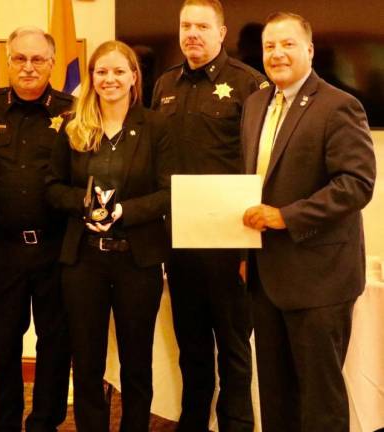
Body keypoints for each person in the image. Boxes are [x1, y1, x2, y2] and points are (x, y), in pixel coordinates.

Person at [241, 12, 376, 432]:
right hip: (265, 278)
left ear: (309, 50)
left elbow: (356, 185)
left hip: (320, 279)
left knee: (319, 403)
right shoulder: (255, 104)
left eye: (287, 44)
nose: (277, 53)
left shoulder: (339, 105)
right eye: (269, 46)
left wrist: (287, 217)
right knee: (276, 399)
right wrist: (245, 253)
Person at [46, 40, 174, 432]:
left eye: (119, 71)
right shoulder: (72, 125)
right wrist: (84, 205)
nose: (110, 79)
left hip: (138, 260)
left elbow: (169, 192)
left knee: (137, 360)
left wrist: (124, 211)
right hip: (84, 260)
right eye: (102, 71)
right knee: (86, 361)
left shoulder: (156, 126)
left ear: (134, 77)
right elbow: (52, 187)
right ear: (91, 77)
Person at [151, 1, 267, 430]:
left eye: (202, 25)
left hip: (229, 243)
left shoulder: (248, 84)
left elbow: (260, 164)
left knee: (235, 350)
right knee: (192, 346)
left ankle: (236, 425)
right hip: (179, 242)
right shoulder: (163, 84)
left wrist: (247, 252)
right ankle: (193, 423)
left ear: (222, 32)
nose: (192, 33)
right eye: (186, 25)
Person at [0, 26, 72, 432]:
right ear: (8, 62)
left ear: (52, 64)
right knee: (2, 342)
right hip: (5, 250)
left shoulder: (74, 110)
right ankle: (4, 423)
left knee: (55, 342)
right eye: (19, 59)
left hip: (57, 249)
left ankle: (45, 422)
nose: (28, 67)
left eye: (37, 60)